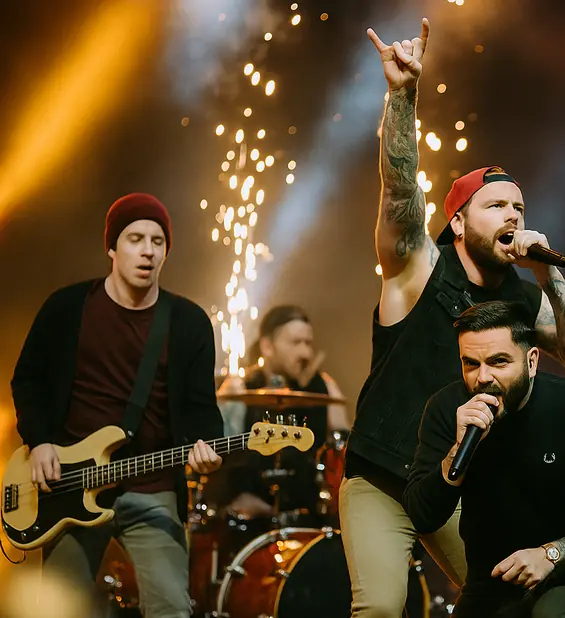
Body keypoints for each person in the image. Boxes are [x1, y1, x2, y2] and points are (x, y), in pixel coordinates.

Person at [342, 18, 565, 617]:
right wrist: (403, 95)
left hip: (460, 482)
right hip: (382, 477)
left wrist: (549, 274)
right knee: (381, 609)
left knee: (510, 601)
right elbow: (399, 187)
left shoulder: (525, 294)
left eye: (518, 205)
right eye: (495, 205)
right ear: (458, 221)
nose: (512, 213)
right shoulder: (417, 264)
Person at [10, 193, 223, 618]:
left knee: (172, 608)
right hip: (69, 488)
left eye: (158, 241)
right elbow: (28, 378)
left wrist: (208, 448)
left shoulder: (188, 323)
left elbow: (201, 407)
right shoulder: (66, 308)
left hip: (151, 488)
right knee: (53, 610)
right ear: (111, 247)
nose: (147, 250)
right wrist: (40, 442)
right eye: (135, 238)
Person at [404, 301, 565, 616]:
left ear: (532, 362)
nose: (483, 378)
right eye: (471, 364)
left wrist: (552, 554)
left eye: (499, 361)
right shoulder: (447, 409)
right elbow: (423, 516)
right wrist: (456, 451)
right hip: (496, 576)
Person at [213, 305, 350, 523]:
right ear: (267, 346)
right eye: (296, 343)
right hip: (249, 517)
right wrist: (235, 495)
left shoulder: (324, 387)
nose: (306, 353)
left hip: (311, 514)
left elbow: (343, 452)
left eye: (308, 343)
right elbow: (215, 459)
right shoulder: (240, 389)